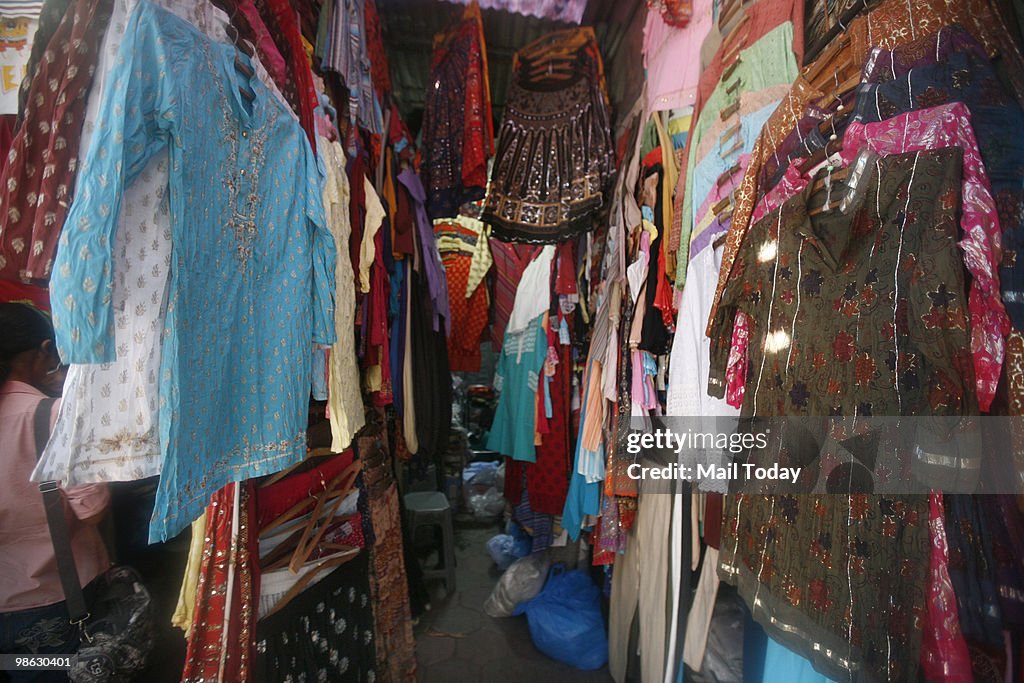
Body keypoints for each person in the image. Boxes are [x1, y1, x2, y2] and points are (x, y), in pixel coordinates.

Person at [0, 302, 110, 682]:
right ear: (43, 350)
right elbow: (91, 508)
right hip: (56, 609)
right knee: (58, 673)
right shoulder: (53, 414)